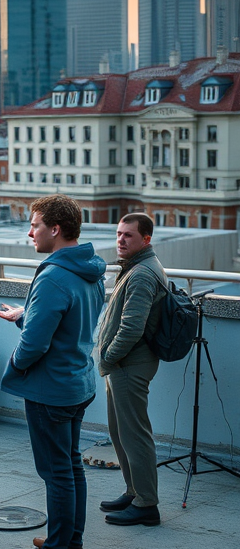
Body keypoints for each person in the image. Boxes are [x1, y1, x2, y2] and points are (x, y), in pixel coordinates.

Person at [0, 194, 106, 549]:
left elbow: (35, 345)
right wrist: (27, 314)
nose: (30, 233)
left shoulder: (54, 276)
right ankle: (72, 544)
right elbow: (69, 322)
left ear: (55, 229)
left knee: (56, 471)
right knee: (70, 465)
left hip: (50, 389)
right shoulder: (88, 268)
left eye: (35, 225)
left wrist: (15, 362)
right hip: (77, 382)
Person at [96, 213, 165, 527]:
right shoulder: (135, 267)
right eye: (119, 234)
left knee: (134, 434)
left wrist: (108, 358)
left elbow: (131, 329)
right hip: (123, 364)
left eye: (129, 236)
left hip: (129, 364)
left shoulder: (141, 273)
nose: (121, 240)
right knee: (119, 431)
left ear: (146, 239)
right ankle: (133, 491)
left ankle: (147, 504)